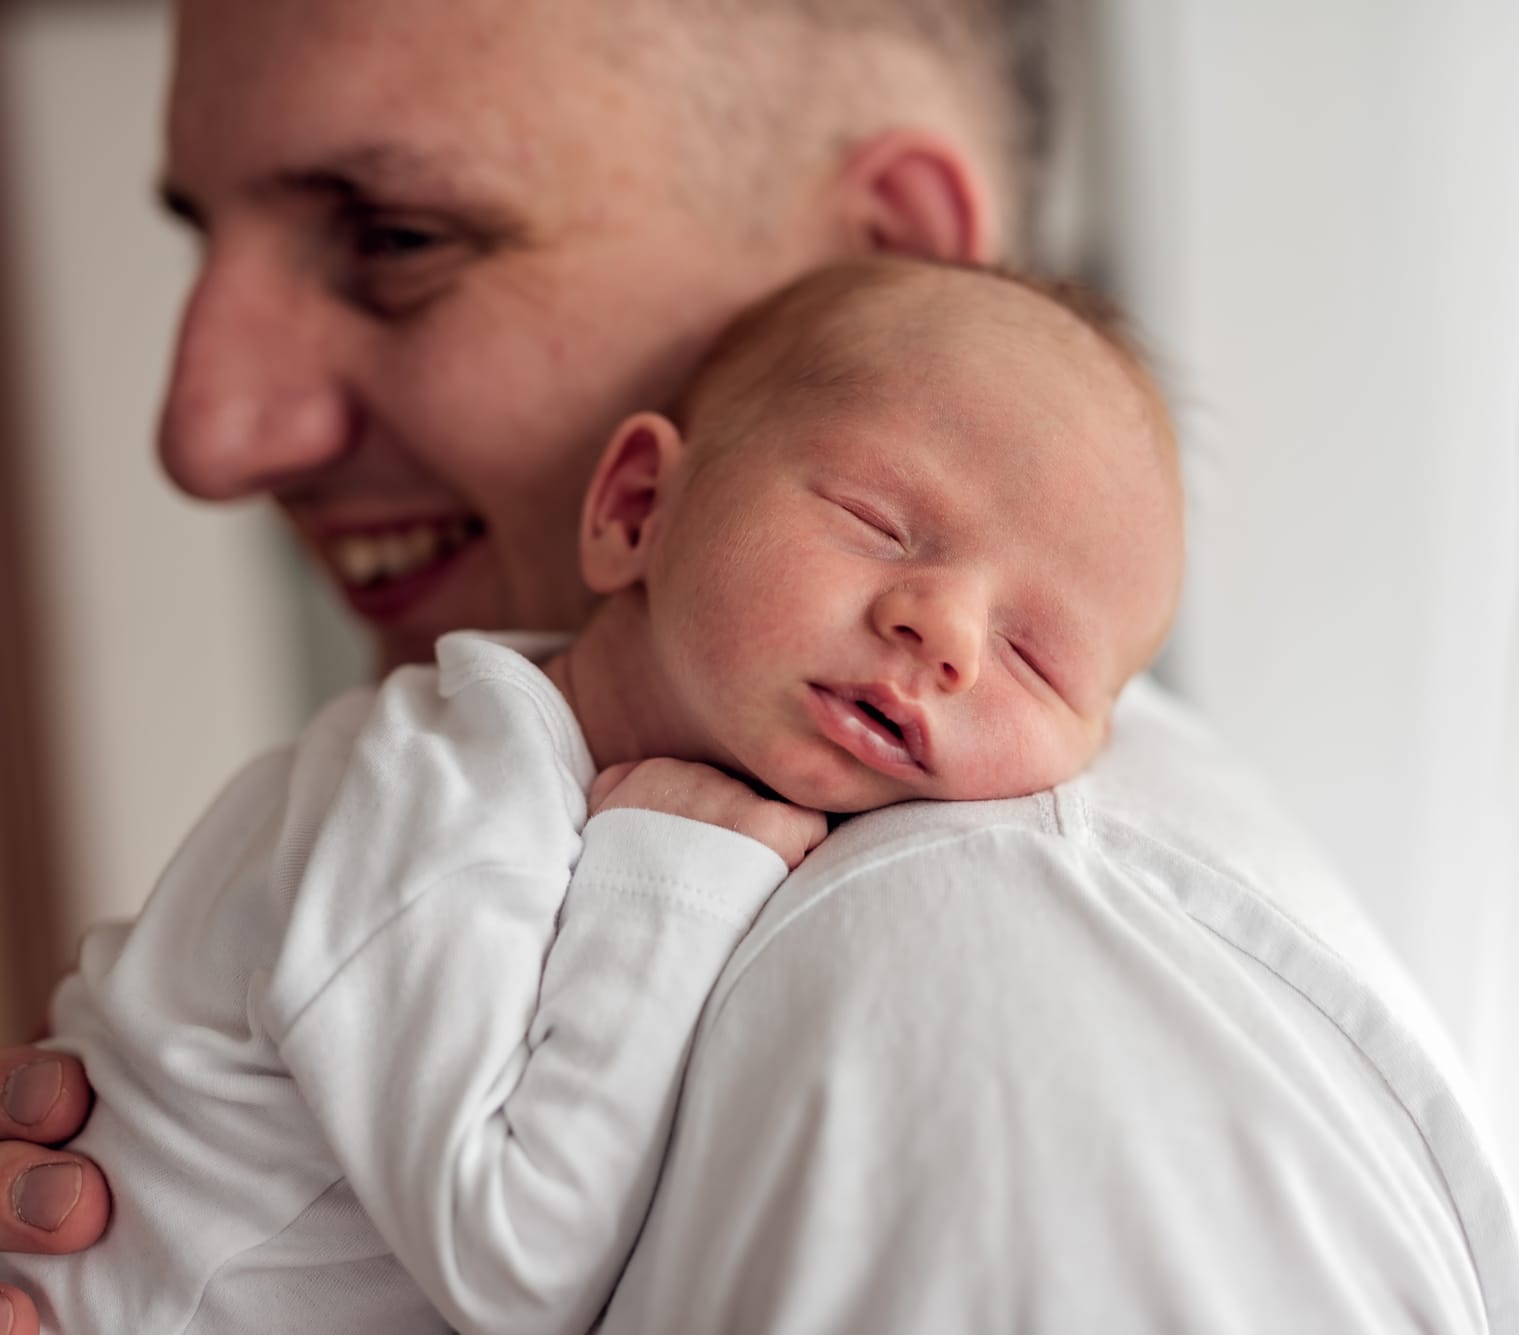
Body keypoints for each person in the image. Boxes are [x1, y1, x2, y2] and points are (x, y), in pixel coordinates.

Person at [0, 1, 1519, 1330]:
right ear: (637, 501)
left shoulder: (983, 961)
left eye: (400, 237)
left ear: (887, 250)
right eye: (202, 238)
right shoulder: (496, 792)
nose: (205, 433)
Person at [0, 257, 1186, 1333]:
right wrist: (673, 874)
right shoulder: (438, 794)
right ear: (637, 510)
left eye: (1034, 657)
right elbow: (517, 1269)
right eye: (876, 523)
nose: (949, 637)